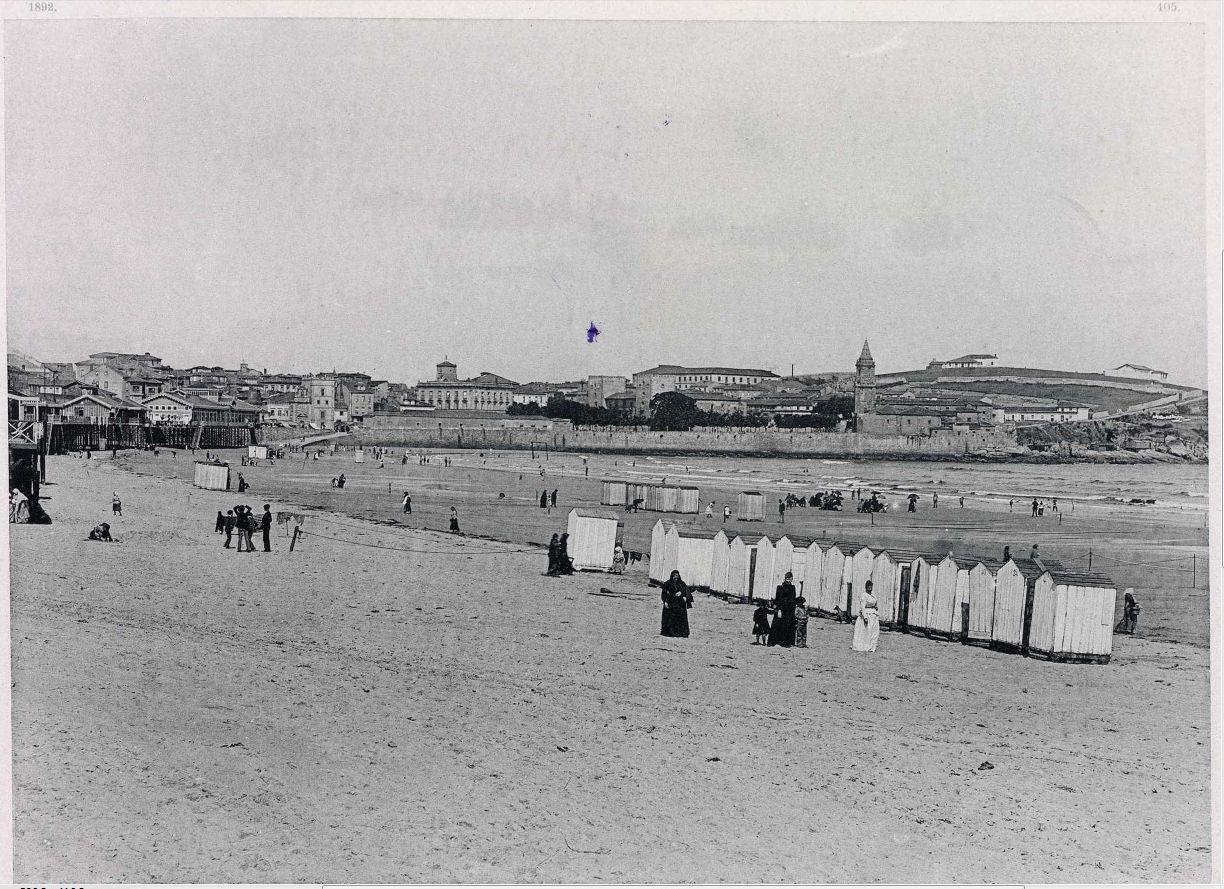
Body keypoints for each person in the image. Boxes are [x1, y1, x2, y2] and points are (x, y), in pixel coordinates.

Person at [659, 570, 693, 638]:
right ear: (672, 577)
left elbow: (687, 590)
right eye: (674, 576)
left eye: (677, 576)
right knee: (670, 619)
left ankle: (680, 633)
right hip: (670, 603)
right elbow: (664, 594)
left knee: (679, 619)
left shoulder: (682, 583)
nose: (675, 578)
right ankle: (669, 632)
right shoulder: (667, 583)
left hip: (679, 604)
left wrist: (681, 592)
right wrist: (665, 601)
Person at [768, 572, 797, 647]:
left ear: (792, 579)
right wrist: (779, 610)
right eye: (787, 579)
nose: (789, 581)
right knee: (778, 625)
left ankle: (786, 642)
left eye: (790, 579)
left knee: (788, 626)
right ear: (785, 579)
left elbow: (793, 599)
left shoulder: (793, 588)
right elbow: (778, 599)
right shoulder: (780, 587)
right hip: (781, 609)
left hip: (789, 610)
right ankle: (775, 642)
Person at [851, 581, 880, 652]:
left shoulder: (873, 594)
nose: (870, 587)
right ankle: (864, 646)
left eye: (871, 586)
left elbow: (875, 603)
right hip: (867, 615)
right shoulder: (864, 595)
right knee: (866, 631)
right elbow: (862, 607)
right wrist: (865, 617)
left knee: (874, 631)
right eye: (868, 586)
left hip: (873, 615)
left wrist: (876, 607)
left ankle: (872, 647)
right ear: (866, 587)